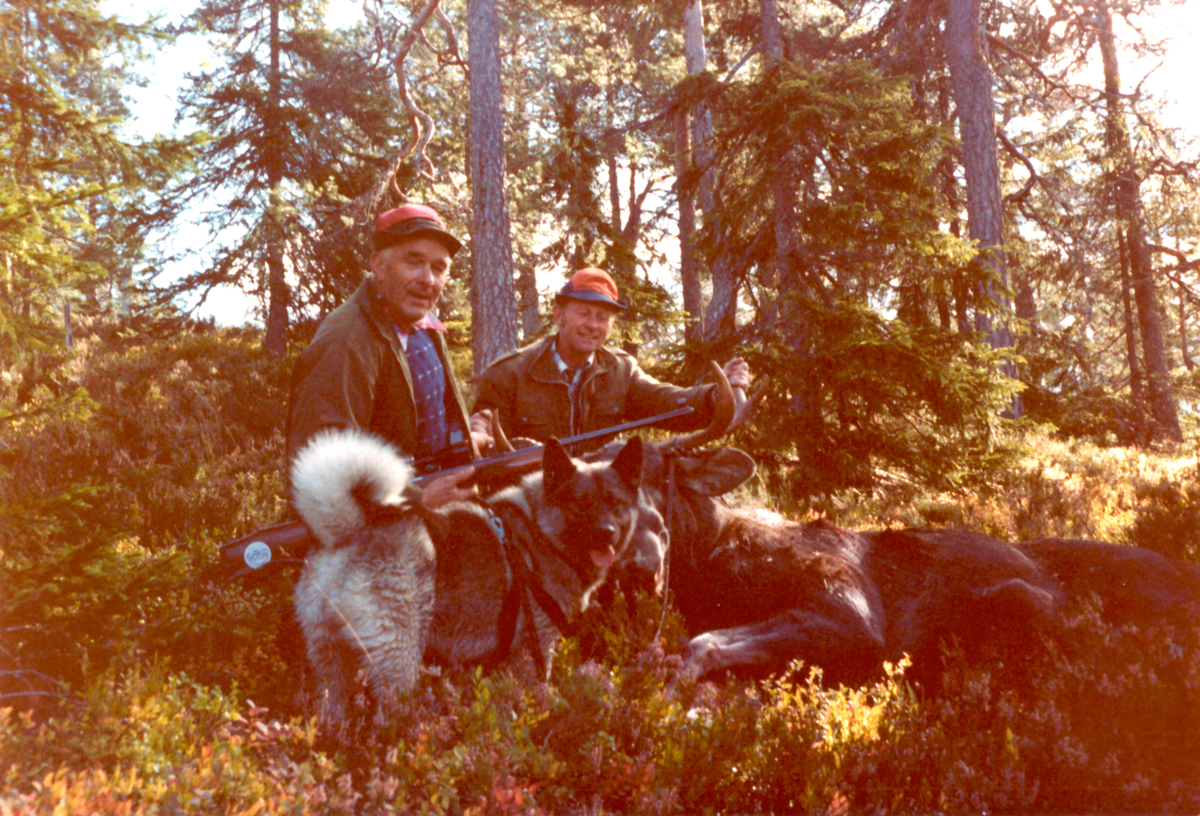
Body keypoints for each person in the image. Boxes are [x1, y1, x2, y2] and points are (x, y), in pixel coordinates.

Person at [287, 203, 489, 509]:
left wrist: (466, 443)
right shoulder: (346, 340)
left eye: (439, 267)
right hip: (376, 529)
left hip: (423, 508)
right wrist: (420, 500)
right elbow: (325, 468)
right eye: (414, 261)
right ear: (378, 266)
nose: (428, 279)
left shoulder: (423, 324)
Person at [472, 266, 751, 452]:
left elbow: (669, 404)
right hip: (533, 499)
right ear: (559, 316)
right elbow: (484, 438)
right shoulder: (508, 374)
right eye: (583, 313)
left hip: (600, 499)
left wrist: (716, 394)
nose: (593, 325)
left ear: (610, 326)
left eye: (602, 317)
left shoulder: (621, 370)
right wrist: (479, 431)